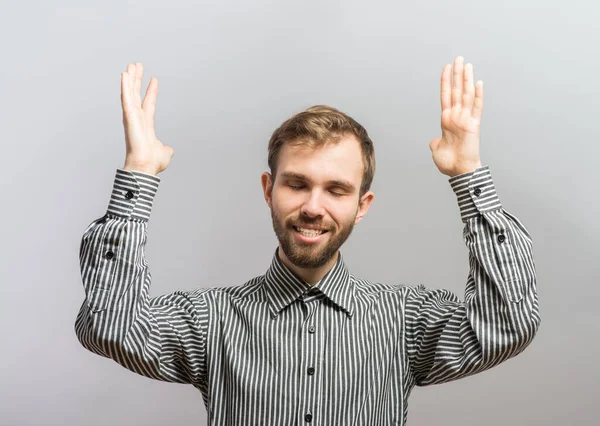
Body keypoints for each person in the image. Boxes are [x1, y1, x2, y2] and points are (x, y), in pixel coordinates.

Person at [75, 56, 540, 426]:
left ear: (363, 204)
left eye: (336, 190)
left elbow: (508, 325)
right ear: (268, 190)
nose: (313, 207)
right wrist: (138, 175)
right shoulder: (211, 321)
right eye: (297, 184)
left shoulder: (405, 320)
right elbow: (110, 328)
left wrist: (469, 176)